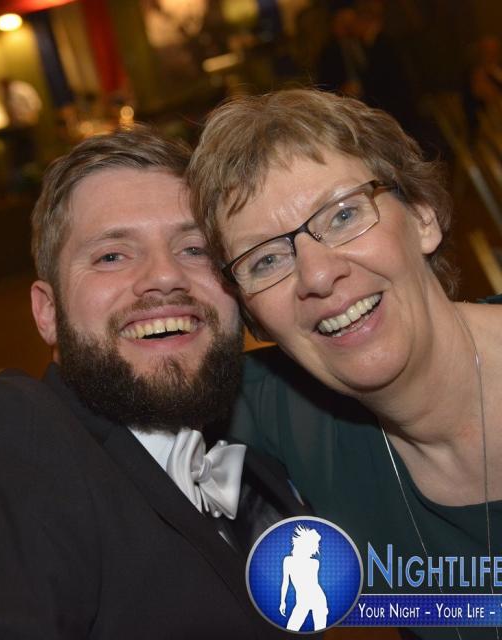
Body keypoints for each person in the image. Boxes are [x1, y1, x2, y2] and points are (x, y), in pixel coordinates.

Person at [0, 126, 318, 639]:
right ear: (47, 313)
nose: (164, 276)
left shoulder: (261, 459)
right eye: (111, 256)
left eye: (194, 249)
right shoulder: (3, 431)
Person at [188, 87, 502, 640]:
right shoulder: (285, 415)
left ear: (423, 216)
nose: (316, 275)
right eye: (266, 259)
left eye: (343, 215)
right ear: (251, 315)